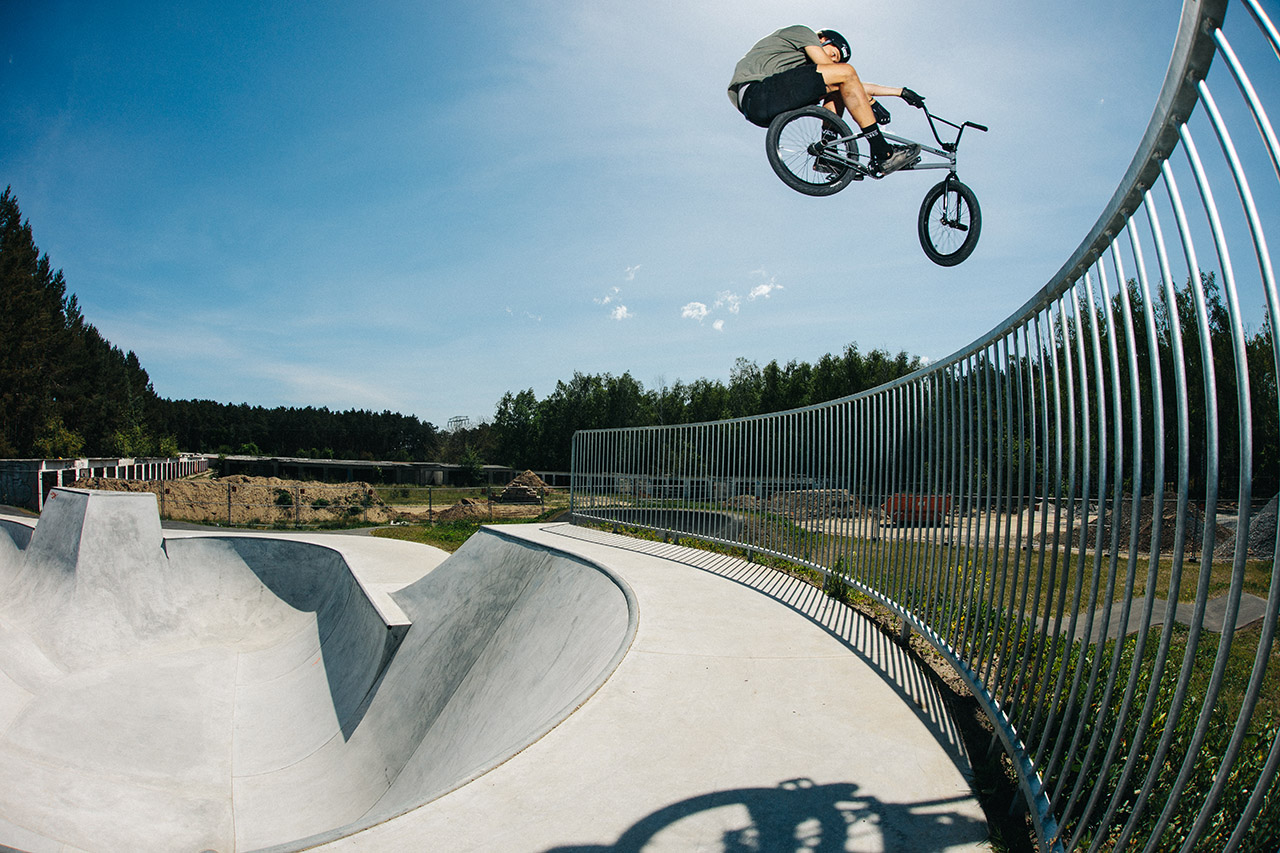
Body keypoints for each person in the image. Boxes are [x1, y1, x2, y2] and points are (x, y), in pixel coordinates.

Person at [728, 26, 926, 176]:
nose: (832, 61)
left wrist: (899, 92)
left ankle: (828, 151)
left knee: (840, 85)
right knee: (844, 76)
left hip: (763, 105)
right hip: (758, 92)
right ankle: (883, 151)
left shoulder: (800, 71)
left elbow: (851, 86)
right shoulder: (804, 33)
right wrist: (872, 104)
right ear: (822, 40)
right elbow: (843, 74)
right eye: (833, 54)